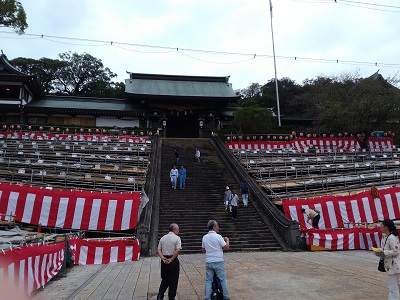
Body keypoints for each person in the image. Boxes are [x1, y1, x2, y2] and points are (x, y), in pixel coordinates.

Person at [201, 220, 230, 300]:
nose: (218, 227)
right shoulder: (218, 236)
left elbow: (203, 250)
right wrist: (227, 240)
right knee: (223, 280)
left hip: (209, 261)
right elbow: (226, 247)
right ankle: (226, 297)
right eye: (217, 226)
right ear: (214, 227)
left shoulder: (205, 237)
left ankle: (207, 298)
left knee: (208, 280)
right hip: (218, 261)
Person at [157, 223, 182, 300]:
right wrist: (171, 259)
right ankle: (171, 297)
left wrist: (162, 258)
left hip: (164, 261)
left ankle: (160, 295)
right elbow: (178, 250)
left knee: (165, 279)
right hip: (173, 260)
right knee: (173, 280)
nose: (178, 231)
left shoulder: (163, 238)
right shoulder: (177, 238)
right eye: (178, 230)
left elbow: (158, 250)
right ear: (175, 230)